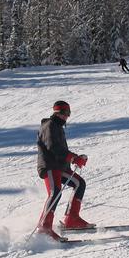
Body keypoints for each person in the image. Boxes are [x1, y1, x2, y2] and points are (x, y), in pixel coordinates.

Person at [36, 101, 93, 241]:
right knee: (55, 192)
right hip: (49, 166)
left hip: (60, 167)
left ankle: (71, 219)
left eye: (68, 114)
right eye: (65, 114)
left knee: (79, 183)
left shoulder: (57, 126)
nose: (67, 117)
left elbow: (61, 151)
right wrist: (73, 158)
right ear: (58, 113)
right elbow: (54, 148)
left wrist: (75, 158)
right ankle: (44, 227)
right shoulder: (49, 126)